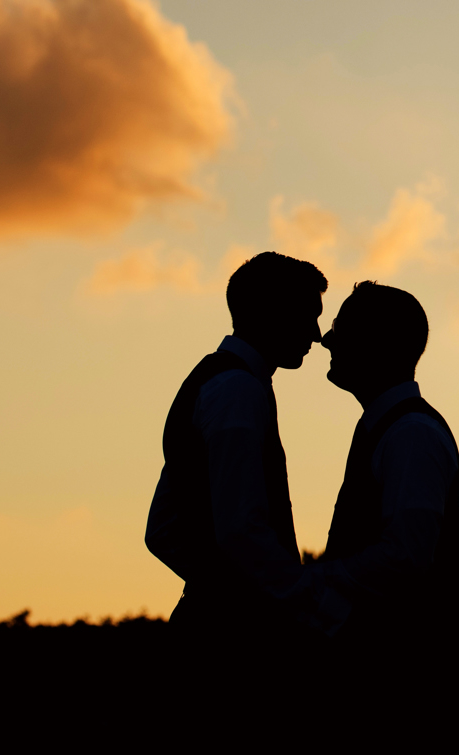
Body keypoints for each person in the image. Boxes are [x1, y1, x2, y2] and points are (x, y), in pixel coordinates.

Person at [144, 252, 348, 645]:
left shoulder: (214, 383)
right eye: (308, 315)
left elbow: (163, 530)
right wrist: (313, 608)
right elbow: (241, 531)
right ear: (270, 311)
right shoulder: (238, 393)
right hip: (235, 640)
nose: (317, 334)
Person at [316, 281, 459, 645]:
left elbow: (405, 558)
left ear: (375, 342)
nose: (326, 340)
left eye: (340, 328)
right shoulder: (390, 430)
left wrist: (312, 582)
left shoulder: (411, 436)